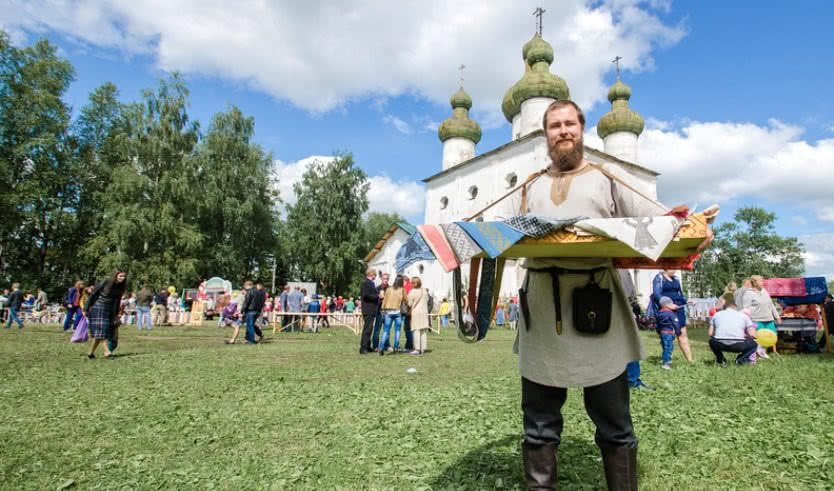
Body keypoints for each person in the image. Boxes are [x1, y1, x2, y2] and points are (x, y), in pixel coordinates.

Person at [512, 100, 711, 490]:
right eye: (555, 125)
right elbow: (497, 233)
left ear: (582, 129)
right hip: (540, 309)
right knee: (538, 423)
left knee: (614, 421)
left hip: (596, 306)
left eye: (570, 123)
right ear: (546, 134)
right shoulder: (529, 185)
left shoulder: (608, 176)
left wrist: (692, 228)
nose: (563, 131)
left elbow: (657, 220)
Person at [648, 269, 694, 363]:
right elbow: (657, 294)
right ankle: (667, 359)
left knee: (682, 334)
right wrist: (668, 305)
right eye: (673, 267)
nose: (675, 270)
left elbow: (679, 294)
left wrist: (686, 300)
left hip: (678, 308)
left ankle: (690, 360)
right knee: (667, 334)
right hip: (665, 310)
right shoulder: (659, 278)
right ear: (666, 267)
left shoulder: (676, 279)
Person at [84, 271, 128, 358]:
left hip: (110, 310)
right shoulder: (105, 282)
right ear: (115, 276)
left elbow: (118, 301)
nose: (122, 278)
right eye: (120, 276)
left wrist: (116, 314)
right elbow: (93, 295)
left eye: (124, 276)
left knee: (101, 332)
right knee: (102, 331)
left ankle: (90, 353)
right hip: (99, 308)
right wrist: (86, 308)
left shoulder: (121, 287)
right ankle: (107, 352)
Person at [741, 275, 782, 356]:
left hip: (769, 319)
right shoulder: (748, 294)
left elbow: (771, 305)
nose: (763, 283)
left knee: (772, 335)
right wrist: (746, 320)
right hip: (756, 319)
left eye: (762, 281)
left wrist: (777, 316)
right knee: (758, 337)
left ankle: (762, 351)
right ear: (754, 283)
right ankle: (757, 353)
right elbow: (745, 308)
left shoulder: (764, 291)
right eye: (761, 281)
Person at [708, 299, 758, 365]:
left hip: (720, 344)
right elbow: (753, 335)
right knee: (754, 344)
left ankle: (720, 360)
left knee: (711, 341)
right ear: (735, 306)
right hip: (738, 345)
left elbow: (710, 333)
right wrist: (745, 336)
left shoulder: (716, 315)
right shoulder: (744, 316)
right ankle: (741, 360)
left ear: (724, 306)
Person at [378, 276, 405, 355]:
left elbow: (385, 299)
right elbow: (406, 300)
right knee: (397, 331)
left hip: (388, 312)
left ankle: (381, 347)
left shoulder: (389, 289)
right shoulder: (402, 290)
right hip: (397, 312)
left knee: (386, 330)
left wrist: (383, 309)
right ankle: (396, 348)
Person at [406, 276, 430, 355]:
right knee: (423, 331)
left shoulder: (412, 292)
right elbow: (427, 300)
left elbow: (409, 303)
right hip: (424, 312)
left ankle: (417, 349)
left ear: (413, 283)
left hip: (416, 312)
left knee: (416, 330)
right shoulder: (424, 291)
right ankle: (423, 348)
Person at [656, 297, 681, 370]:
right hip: (669, 333)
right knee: (669, 348)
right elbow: (676, 323)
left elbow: (658, 324)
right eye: (672, 304)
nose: (673, 305)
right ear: (667, 305)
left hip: (662, 333)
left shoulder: (659, 313)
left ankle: (665, 360)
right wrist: (678, 332)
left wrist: (658, 331)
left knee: (665, 347)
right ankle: (666, 363)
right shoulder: (671, 314)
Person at [359, 268, 380, 354]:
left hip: (371, 309)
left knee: (369, 328)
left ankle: (367, 346)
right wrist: (377, 296)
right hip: (368, 309)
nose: (376, 276)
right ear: (372, 274)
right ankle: (363, 348)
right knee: (367, 329)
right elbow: (366, 295)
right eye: (375, 274)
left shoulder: (370, 283)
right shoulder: (366, 283)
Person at [372, 273, 390, 351]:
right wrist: (379, 298)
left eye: (387, 279)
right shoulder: (377, 288)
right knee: (377, 330)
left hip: (388, 312)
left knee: (387, 330)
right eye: (384, 279)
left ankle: (386, 345)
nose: (385, 280)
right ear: (381, 279)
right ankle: (376, 346)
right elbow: (374, 300)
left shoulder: (391, 289)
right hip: (379, 311)